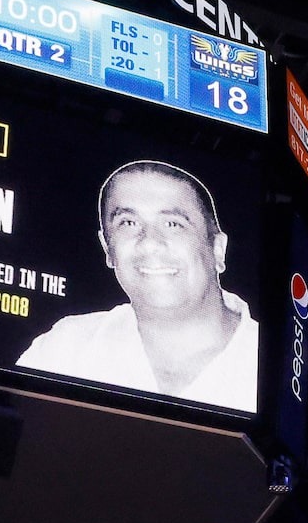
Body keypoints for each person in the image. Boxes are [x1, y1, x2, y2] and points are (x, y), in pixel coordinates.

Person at [16, 160, 258, 409]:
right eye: (128, 223)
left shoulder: (274, 369)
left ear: (218, 249)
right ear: (107, 248)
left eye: (173, 224)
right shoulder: (67, 347)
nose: (149, 243)